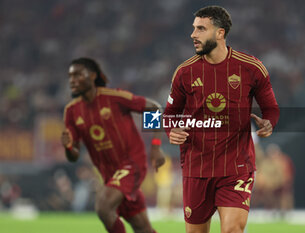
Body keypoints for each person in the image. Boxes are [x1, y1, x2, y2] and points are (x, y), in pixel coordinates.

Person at [164, 6, 280, 233]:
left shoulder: (251, 68)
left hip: (236, 167)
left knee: (232, 230)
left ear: (220, 33)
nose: (193, 35)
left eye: (200, 29)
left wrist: (269, 123)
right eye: (193, 28)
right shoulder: (184, 72)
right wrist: (171, 131)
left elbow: (271, 109)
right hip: (196, 168)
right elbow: (168, 115)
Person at [61, 57, 165, 233]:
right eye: (70, 76)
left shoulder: (114, 98)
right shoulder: (71, 112)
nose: (72, 80)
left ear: (93, 76)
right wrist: (69, 147)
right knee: (142, 227)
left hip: (132, 163)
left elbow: (153, 108)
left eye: (78, 75)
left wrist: (155, 147)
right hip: (109, 175)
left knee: (103, 206)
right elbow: (74, 156)